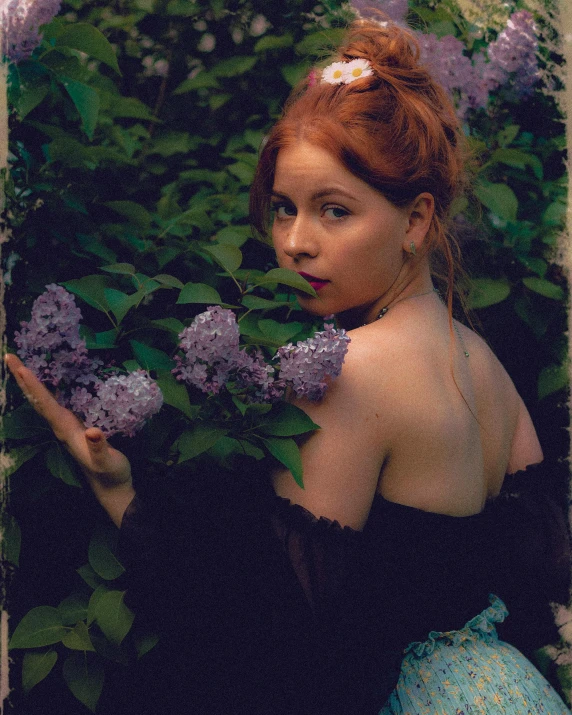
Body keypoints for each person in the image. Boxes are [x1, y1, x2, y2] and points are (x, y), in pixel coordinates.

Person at [6, 17, 571, 715]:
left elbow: (267, 642)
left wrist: (122, 494)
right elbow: (525, 572)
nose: (296, 242)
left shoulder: (355, 371)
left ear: (417, 220)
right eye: (282, 209)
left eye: (334, 210)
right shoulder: (484, 363)